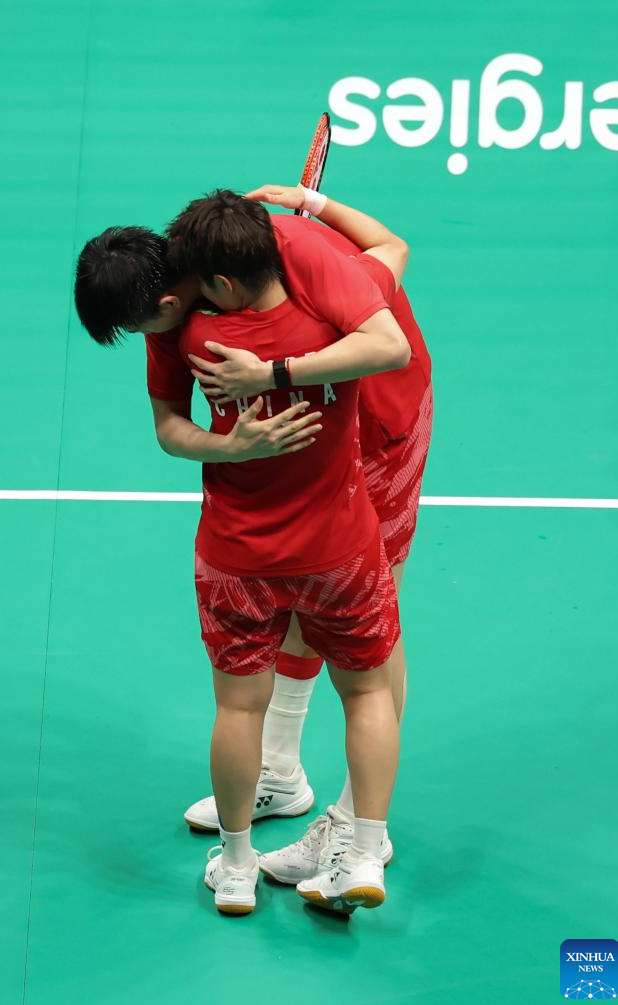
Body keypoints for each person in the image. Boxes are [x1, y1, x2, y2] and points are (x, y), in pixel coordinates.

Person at [147, 189, 410, 914]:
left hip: (238, 557)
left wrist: (250, 404)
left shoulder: (194, 338)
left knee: (238, 709)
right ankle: (365, 848)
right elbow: (391, 254)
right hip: (338, 549)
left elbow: (168, 422)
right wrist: (313, 209)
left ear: (219, 281)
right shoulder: (338, 329)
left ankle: (236, 868)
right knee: (367, 691)